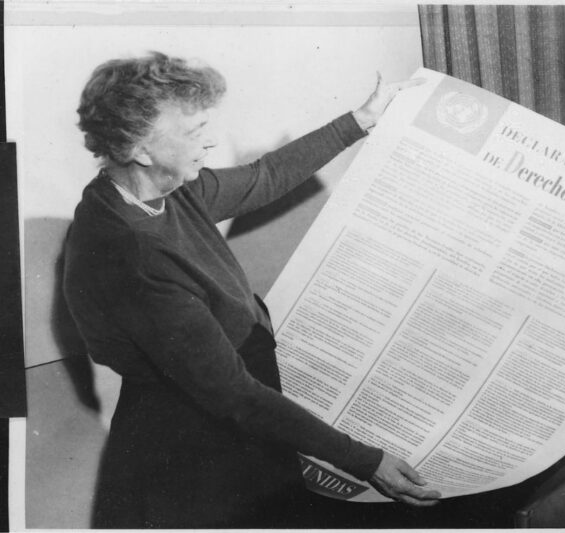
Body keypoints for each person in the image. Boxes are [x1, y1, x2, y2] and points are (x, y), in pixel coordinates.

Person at [63, 51, 440, 529]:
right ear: (141, 148)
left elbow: (265, 178)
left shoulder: (165, 190)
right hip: (196, 442)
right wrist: (366, 461)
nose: (211, 141)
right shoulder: (131, 253)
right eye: (195, 131)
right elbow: (234, 394)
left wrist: (360, 120)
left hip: (235, 410)